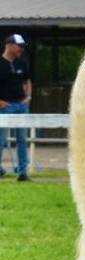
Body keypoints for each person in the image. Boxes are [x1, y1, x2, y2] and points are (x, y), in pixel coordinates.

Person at [0, 34, 33, 182]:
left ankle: (22, 173)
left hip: (21, 105)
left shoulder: (22, 63)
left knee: (22, 140)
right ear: (9, 45)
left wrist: (28, 97)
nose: (21, 49)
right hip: (4, 107)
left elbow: (27, 81)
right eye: (19, 46)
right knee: (0, 140)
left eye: (22, 46)